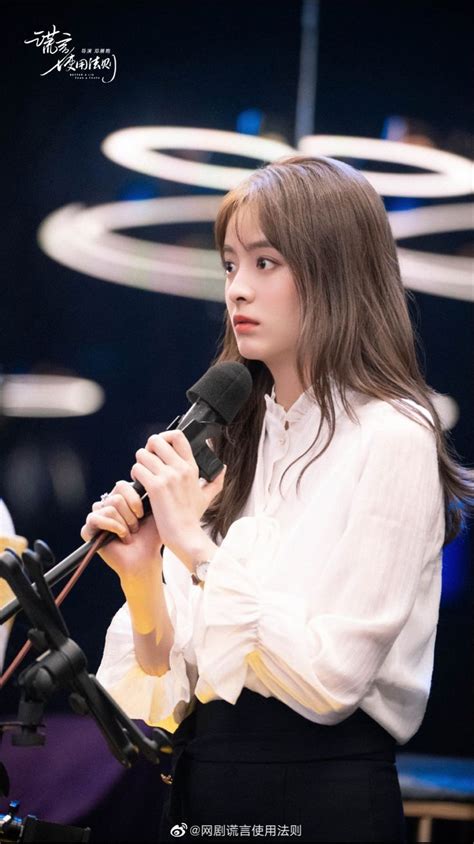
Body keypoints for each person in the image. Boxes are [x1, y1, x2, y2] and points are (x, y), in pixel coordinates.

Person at [81, 155, 473, 843]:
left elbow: (332, 681)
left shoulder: (393, 433)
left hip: (321, 797)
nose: (238, 289)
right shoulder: (236, 435)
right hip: (203, 790)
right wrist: (143, 575)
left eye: (266, 263)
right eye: (231, 265)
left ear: (335, 272)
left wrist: (195, 546)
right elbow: (169, 686)